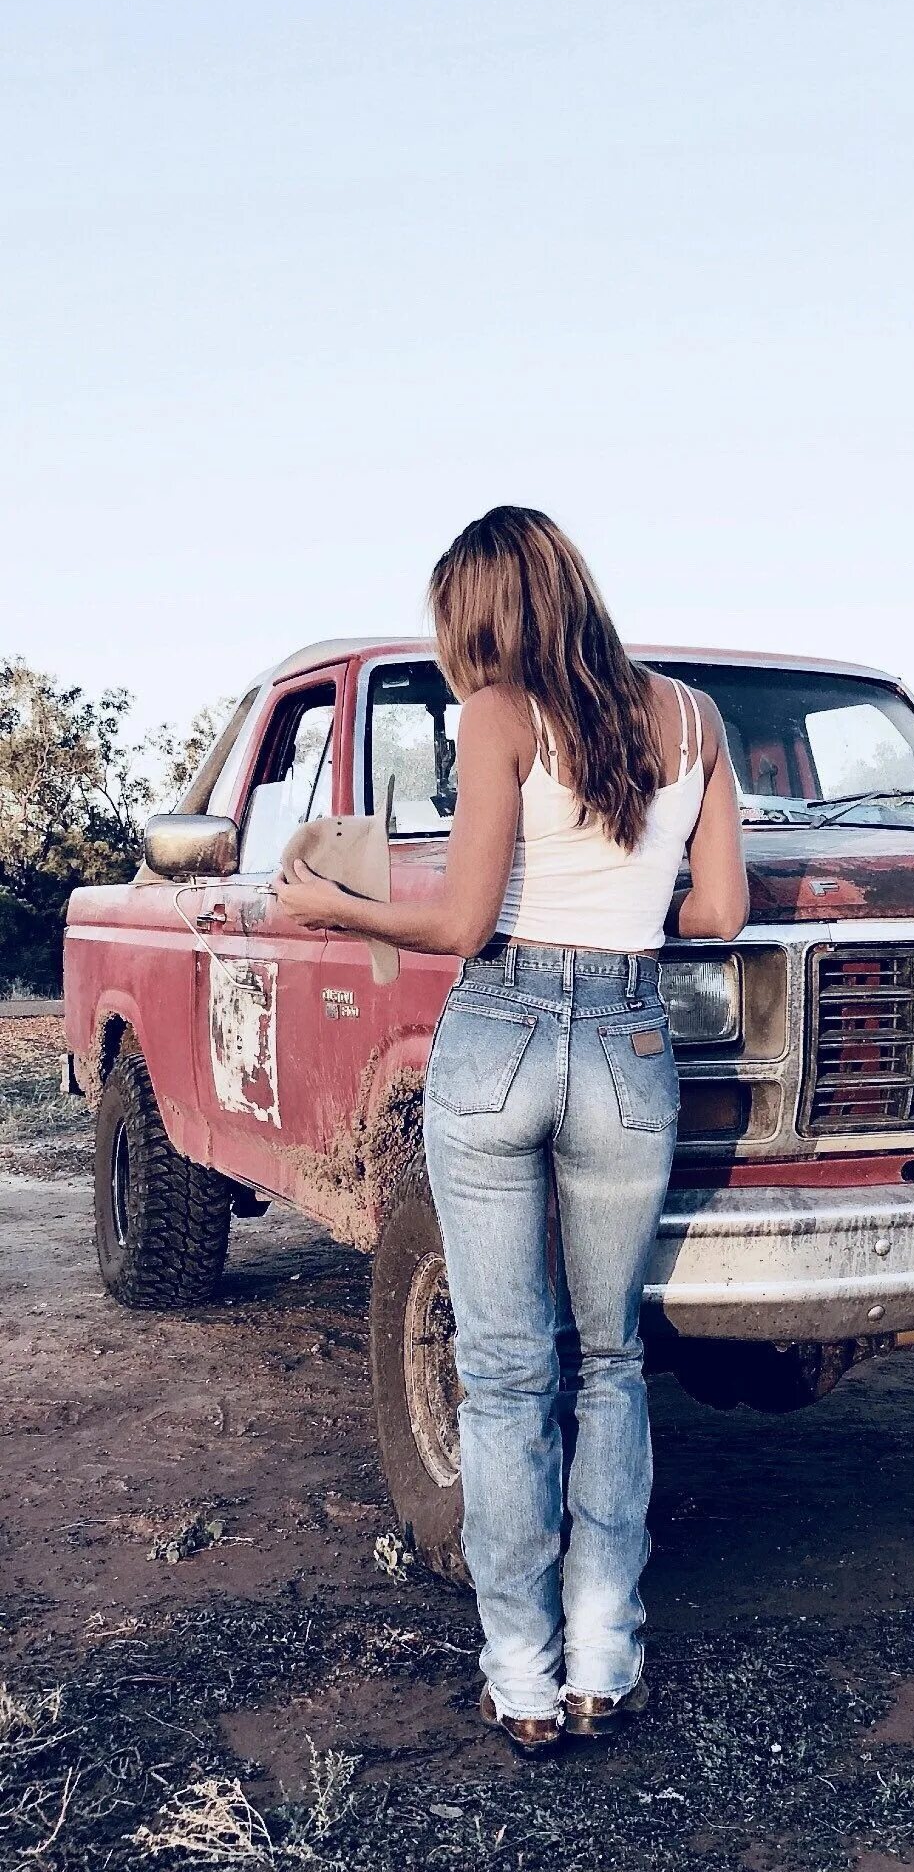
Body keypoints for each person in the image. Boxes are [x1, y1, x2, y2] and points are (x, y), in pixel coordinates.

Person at [275, 505, 749, 1756]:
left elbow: (463, 922)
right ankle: (605, 1659)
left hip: (502, 1034)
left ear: (483, 613)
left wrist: (329, 904)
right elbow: (721, 908)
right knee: (611, 1359)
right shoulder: (695, 719)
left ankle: (523, 1678)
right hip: (634, 1043)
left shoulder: (498, 715)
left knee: (502, 1371)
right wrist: (629, 896)